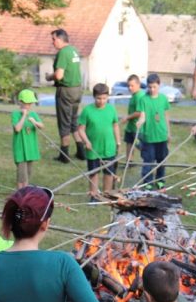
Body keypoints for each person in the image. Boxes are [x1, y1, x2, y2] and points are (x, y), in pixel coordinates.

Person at [77, 82, 122, 199]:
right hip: (93, 148)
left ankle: (106, 194)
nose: (101, 101)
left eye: (104, 98)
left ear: (108, 97)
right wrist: (86, 141)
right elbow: (80, 129)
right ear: (94, 97)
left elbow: (115, 125)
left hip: (109, 147)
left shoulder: (111, 109)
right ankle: (94, 195)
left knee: (108, 173)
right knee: (93, 173)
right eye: (98, 98)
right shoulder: (87, 110)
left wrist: (118, 141)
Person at [49, 29, 85, 163]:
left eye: (53, 39)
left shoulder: (63, 53)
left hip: (66, 91)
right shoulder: (73, 50)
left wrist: (49, 76)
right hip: (77, 90)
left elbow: (59, 75)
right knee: (73, 121)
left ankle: (64, 155)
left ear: (60, 39)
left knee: (64, 123)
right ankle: (81, 152)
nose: (52, 42)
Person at [136, 74, 171, 189]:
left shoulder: (163, 99)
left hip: (161, 135)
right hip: (148, 137)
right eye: (149, 87)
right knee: (148, 160)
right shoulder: (143, 99)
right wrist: (140, 122)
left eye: (154, 87)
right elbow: (143, 115)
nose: (152, 89)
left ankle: (160, 180)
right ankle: (148, 182)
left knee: (161, 160)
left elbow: (166, 116)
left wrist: (168, 132)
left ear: (159, 85)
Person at [12, 89, 44, 188]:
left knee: (28, 174)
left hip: (30, 150)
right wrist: (24, 116)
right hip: (20, 150)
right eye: (27, 103)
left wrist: (35, 122)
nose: (29, 106)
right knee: (22, 176)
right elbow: (17, 128)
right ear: (20, 102)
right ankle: (20, 195)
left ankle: (24, 193)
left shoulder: (33, 114)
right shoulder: (15, 114)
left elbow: (42, 126)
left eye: (31, 103)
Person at [122, 74, 146, 167]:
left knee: (139, 145)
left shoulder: (140, 96)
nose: (130, 88)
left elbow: (139, 112)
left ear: (138, 84)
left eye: (132, 85)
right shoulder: (134, 95)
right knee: (129, 143)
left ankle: (149, 160)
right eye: (128, 86)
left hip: (137, 127)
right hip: (130, 126)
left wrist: (127, 117)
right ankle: (129, 161)